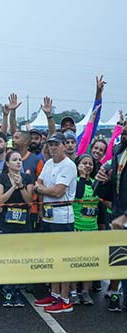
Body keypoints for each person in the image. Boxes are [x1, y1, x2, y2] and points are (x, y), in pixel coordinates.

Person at [33, 132, 77, 313]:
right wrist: (43, 188)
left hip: (62, 215)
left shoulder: (69, 165)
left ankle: (65, 299)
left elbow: (58, 191)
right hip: (48, 215)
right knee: (52, 256)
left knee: (63, 258)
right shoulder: (49, 163)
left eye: (56, 144)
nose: (52, 148)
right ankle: (55, 294)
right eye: (50, 145)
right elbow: (40, 182)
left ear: (64, 146)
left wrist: (42, 189)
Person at [0, 151, 34, 307]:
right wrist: (13, 187)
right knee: (7, 257)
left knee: (20, 258)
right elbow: (0, 200)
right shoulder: (1, 178)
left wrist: (21, 186)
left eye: (20, 160)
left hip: (23, 224)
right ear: (7, 163)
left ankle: (17, 290)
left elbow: (29, 200)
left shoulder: (27, 178)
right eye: (14, 160)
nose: (18, 162)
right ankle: (7, 290)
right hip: (5, 223)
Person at [96, 120, 127, 312]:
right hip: (117, 213)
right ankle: (115, 295)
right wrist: (103, 178)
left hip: (123, 215)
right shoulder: (118, 151)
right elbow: (113, 180)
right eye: (125, 125)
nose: (125, 129)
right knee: (118, 256)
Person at [69, 154, 98, 306]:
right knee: (74, 261)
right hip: (77, 227)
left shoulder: (95, 183)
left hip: (91, 228)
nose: (87, 166)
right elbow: (78, 195)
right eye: (84, 163)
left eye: (90, 164)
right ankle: (73, 291)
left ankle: (85, 291)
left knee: (88, 262)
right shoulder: (76, 182)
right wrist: (81, 176)